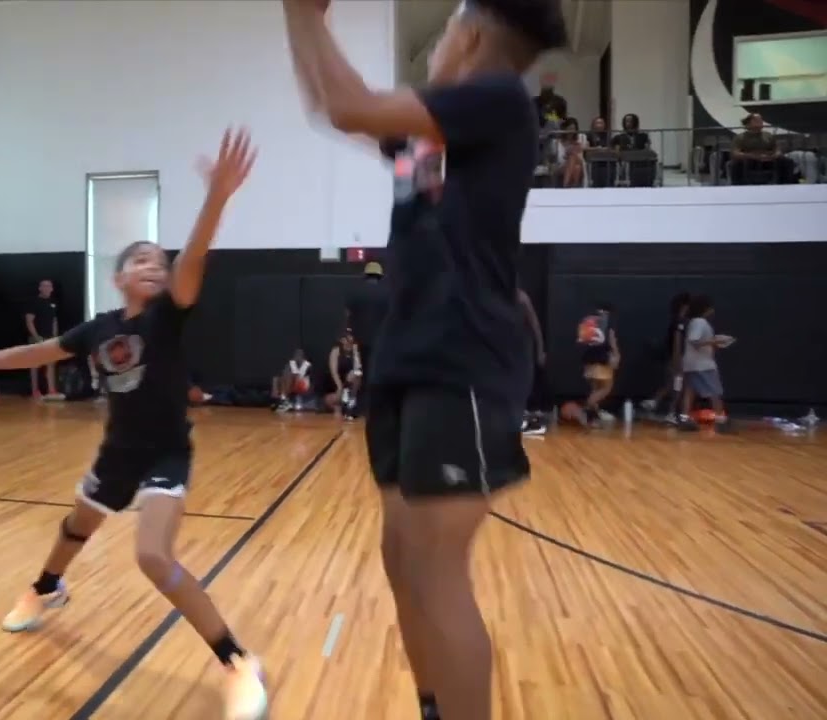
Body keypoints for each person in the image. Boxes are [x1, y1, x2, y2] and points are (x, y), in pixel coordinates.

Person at [0, 129, 267, 719]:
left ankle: (236, 660)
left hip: (164, 454)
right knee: (75, 529)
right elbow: (34, 354)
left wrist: (218, 199)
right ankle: (47, 588)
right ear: (120, 277)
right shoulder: (97, 330)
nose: (156, 265)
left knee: (152, 557)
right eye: (142, 260)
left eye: (160, 260)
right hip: (116, 455)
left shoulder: (171, 317)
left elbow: (196, 254)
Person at [282, 1, 566, 718]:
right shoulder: (435, 133)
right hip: (408, 360)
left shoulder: (498, 101)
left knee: (437, 572)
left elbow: (349, 106)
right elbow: (331, 105)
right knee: (403, 563)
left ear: (469, 37)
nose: (433, 48)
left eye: (440, 35)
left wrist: (300, 12)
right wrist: (303, 20)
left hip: (462, 358)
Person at [677, 295, 734, 432]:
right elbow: (694, 341)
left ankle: (685, 419)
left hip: (691, 363)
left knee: (690, 391)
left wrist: (714, 340)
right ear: (705, 308)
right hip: (703, 364)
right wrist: (715, 342)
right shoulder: (700, 322)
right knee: (715, 391)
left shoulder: (693, 322)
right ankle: (721, 421)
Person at [345, 261, 387, 411]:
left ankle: (362, 406)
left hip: (362, 340)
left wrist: (351, 334)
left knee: (365, 372)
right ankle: (379, 406)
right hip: (382, 341)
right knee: (379, 373)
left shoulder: (356, 292)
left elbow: (348, 316)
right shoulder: (387, 292)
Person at [641, 293, 690, 418]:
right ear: (684, 306)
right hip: (676, 359)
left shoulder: (676, 321)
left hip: (673, 358)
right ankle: (671, 412)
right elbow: (677, 342)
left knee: (671, 383)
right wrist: (677, 360)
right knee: (678, 386)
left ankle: (654, 401)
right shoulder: (680, 322)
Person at [577, 303, 619, 426]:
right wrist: (616, 354)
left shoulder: (588, 321)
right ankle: (585, 411)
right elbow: (612, 339)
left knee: (595, 389)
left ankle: (592, 417)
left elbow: (582, 340)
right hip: (602, 359)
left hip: (588, 359)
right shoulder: (609, 322)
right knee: (605, 388)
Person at [25, 279, 66, 401]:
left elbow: (54, 320)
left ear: (52, 289)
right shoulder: (34, 302)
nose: (47, 288)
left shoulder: (53, 303)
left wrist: (55, 336)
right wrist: (36, 337)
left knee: (51, 364)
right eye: (44, 286)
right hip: (36, 337)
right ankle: (35, 391)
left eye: (49, 286)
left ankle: (51, 390)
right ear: (40, 288)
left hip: (50, 338)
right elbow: (29, 321)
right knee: (34, 364)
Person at [518, 288, 548, 436]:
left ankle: (534, 421)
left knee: (524, 383)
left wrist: (541, 350)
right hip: (508, 347)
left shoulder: (521, 297)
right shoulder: (495, 297)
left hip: (523, 347)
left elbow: (535, 326)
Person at [326, 332, 362, 419]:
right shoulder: (336, 351)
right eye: (347, 337)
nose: (350, 339)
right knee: (331, 400)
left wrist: (356, 352)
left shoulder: (355, 350)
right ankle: (341, 405)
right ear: (342, 340)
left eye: (351, 337)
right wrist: (340, 386)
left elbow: (358, 367)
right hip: (338, 383)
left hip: (352, 385)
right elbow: (334, 372)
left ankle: (351, 401)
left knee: (356, 374)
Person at [273, 348, 313, 412]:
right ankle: (280, 399)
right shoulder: (291, 364)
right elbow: (284, 373)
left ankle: (284, 400)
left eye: (300, 355)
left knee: (292, 377)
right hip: (290, 384)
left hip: (303, 385)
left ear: (303, 356)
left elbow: (303, 377)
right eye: (297, 354)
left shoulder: (307, 365)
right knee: (276, 379)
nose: (298, 356)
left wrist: (293, 376)